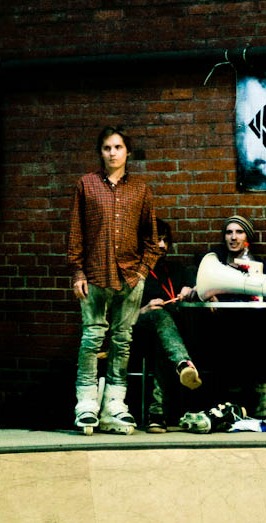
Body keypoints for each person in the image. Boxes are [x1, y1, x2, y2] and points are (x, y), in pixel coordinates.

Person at [67, 125, 160, 434]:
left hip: (130, 277)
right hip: (94, 274)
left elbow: (152, 238)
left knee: (122, 341)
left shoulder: (141, 190)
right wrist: (77, 272)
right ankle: (86, 404)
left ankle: (115, 406)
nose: (112, 153)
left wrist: (142, 272)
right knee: (92, 338)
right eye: (107, 148)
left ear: (127, 152)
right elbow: (76, 232)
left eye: (118, 147)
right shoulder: (86, 184)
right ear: (101, 152)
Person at [184, 214, 266, 425]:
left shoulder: (262, 265)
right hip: (222, 325)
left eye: (239, 232)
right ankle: (236, 401)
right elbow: (200, 286)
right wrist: (206, 295)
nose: (233, 237)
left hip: (253, 325)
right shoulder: (214, 263)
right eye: (229, 232)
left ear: (247, 237)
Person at [135, 218, 202, 433]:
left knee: (163, 340)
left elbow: (201, 289)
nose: (163, 245)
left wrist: (191, 290)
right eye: (157, 240)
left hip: (172, 336)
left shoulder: (177, 269)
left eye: (165, 240)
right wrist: (144, 309)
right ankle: (183, 364)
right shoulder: (133, 274)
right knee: (159, 316)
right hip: (139, 334)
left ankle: (157, 414)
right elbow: (118, 316)